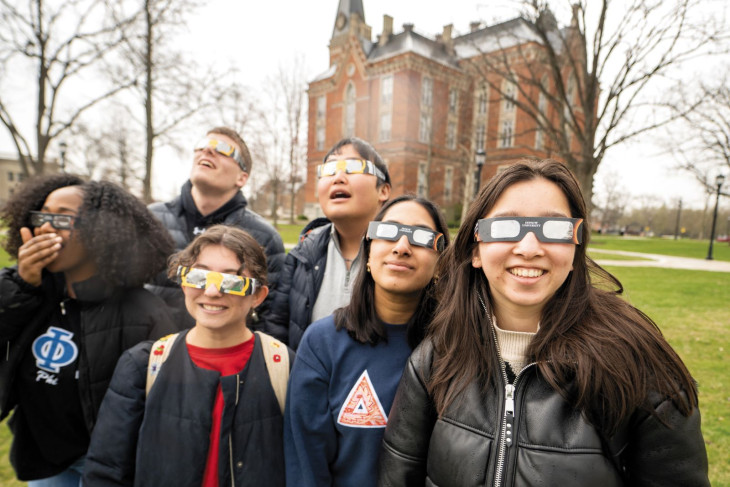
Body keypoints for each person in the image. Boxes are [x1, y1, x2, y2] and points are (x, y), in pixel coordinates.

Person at [378, 160, 710, 486]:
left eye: (554, 229)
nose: (529, 248)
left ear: (575, 249)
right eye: (507, 227)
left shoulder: (639, 365)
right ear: (476, 250)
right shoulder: (437, 356)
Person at [83, 225, 294, 487]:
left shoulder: (285, 366)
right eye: (199, 277)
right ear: (184, 284)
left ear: (257, 296)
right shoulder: (143, 365)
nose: (213, 291)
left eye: (231, 280)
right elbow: (106, 472)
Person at [0, 174, 176, 486]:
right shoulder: (28, 293)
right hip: (45, 459)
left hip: (108, 464)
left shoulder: (144, 313)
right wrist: (23, 285)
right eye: (42, 216)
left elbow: (160, 408)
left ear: (103, 231)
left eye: (63, 219)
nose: (45, 227)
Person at [284, 195, 449, 487]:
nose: (401, 247)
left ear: (440, 264)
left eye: (421, 236)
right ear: (368, 253)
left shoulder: (457, 349)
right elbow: (306, 466)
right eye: (388, 232)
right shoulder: (322, 344)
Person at [147, 126, 285, 331]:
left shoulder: (264, 237)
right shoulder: (149, 221)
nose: (208, 151)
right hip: (152, 355)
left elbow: (271, 320)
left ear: (242, 178)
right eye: (202, 145)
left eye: (223, 149)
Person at [268, 137, 391, 348]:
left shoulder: (402, 253)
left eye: (353, 167)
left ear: (383, 191)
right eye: (329, 169)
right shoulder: (302, 255)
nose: (338, 177)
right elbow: (277, 330)